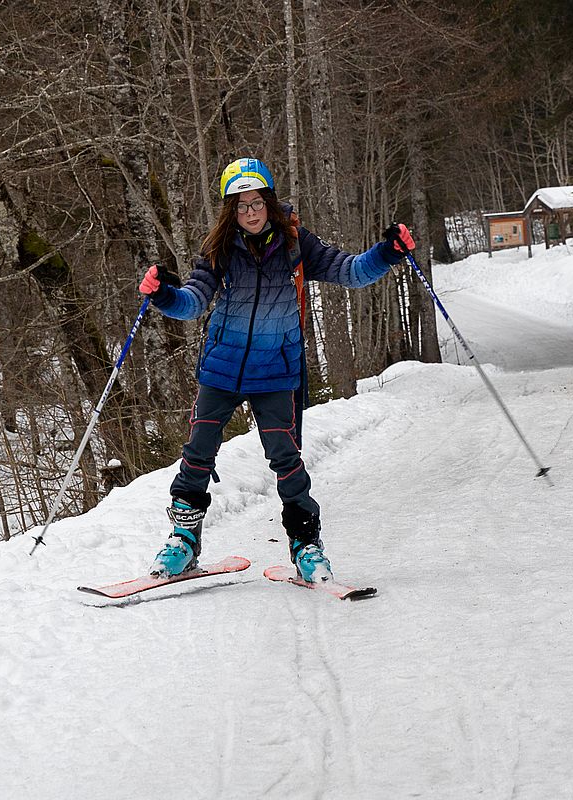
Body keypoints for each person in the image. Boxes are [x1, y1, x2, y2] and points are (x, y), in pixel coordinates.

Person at [138, 157, 415, 582]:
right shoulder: (218, 249)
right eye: (240, 205)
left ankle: (306, 546)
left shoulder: (295, 243)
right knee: (197, 455)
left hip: (276, 372)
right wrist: (164, 295)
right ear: (231, 210)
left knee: (286, 462)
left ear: (269, 201)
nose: (250, 212)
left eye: (256, 202)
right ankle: (183, 541)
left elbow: (351, 271)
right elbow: (192, 301)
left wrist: (387, 252)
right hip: (222, 370)